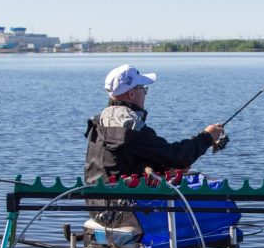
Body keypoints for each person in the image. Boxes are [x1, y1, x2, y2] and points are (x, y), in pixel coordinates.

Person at [84, 64, 225, 185]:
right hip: (126, 208)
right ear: (131, 94)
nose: (145, 94)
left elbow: (119, 164)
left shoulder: (99, 123)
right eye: (143, 89)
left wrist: (165, 168)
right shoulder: (131, 127)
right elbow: (177, 157)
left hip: (99, 203)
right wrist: (207, 136)